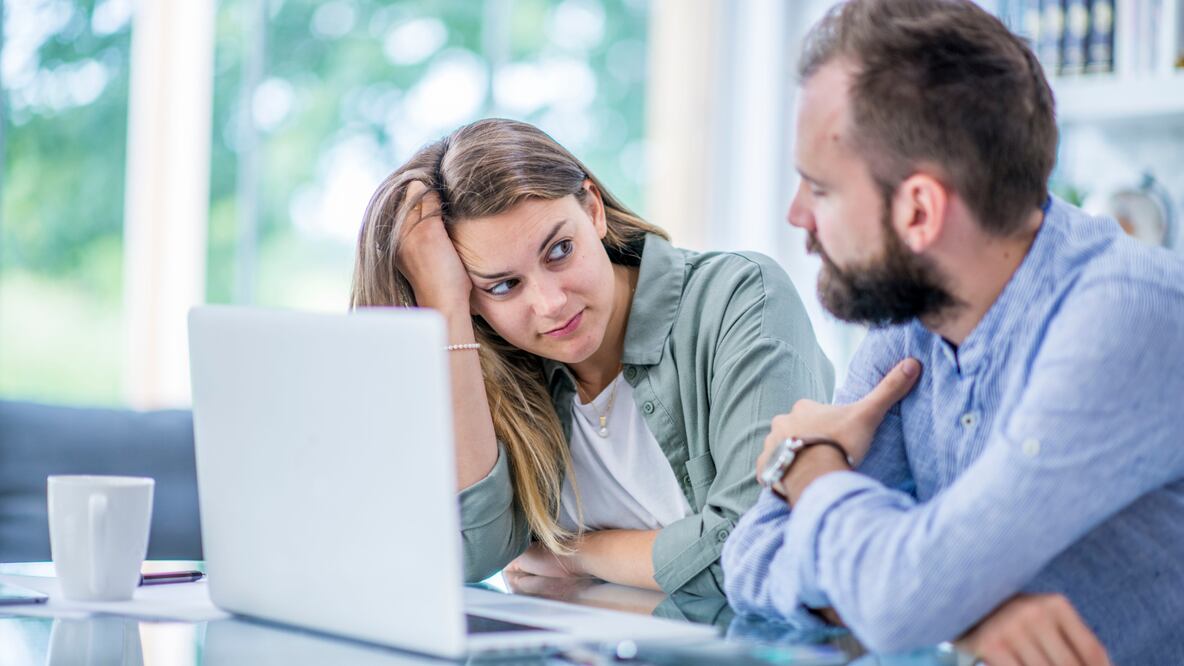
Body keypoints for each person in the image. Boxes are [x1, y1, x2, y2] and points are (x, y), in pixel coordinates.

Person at [721, 0, 1184, 664]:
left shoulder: (1122, 318)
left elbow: (900, 596)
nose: (798, 217)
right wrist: (953, 607)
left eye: (819, 190)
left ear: (919, 209)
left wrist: (810, 466)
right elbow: (751, 560)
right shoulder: (918, 314)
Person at [351, 118, 833, 596]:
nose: (550, 303)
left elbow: (760, 549)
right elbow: (470, 556)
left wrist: (575, 551)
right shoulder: (506, 369)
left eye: (559, 250)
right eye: (502, 285)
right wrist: (446, 307)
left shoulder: (741, 297)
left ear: (594, 209)